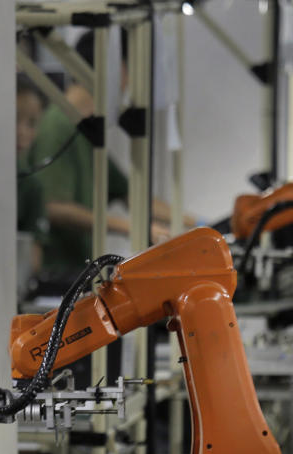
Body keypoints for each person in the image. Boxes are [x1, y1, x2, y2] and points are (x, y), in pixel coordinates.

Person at [27, 31, 188, 288]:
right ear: (118, 69)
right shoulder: (57, 126)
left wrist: (192, 223)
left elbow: (131, 195)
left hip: (77, 272)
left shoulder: (85, 131)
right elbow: (54, 206)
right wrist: (132, 227)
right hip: (55, 277)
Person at [16, 75, 50, 279]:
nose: (22, 132)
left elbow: (32, 262)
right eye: (13, 118)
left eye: (31, 123)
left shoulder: (30, 186)